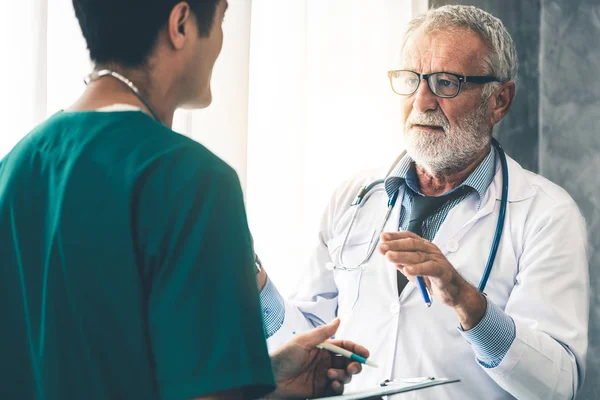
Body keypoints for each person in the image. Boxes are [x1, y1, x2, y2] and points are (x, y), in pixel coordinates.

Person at [0, 0, 369, 399]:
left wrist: (265, 379)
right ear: (180, 24)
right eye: (223, 18)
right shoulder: (193, 181)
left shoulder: (14, 168)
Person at [257, 5, 589, 400]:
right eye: (411, 80)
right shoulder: (352, 199)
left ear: (499, 100)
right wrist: (256, 284)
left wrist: (468, 303)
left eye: (445, 83)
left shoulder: (547, 214)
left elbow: (558, 386)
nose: (422, 101)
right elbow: (311, 339)